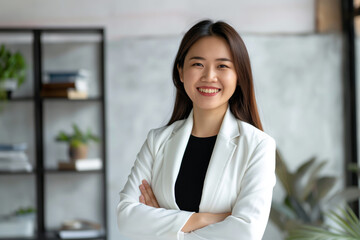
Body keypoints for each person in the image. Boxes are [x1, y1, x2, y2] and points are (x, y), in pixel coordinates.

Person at [117, 19, 276, 240]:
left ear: (238, 76)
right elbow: (126, 218)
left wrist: (163, 224)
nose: (209, 76)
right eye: (197, 64)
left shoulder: (258, 146)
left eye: (222, 66)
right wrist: (205, 219)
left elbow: (245, 233)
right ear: (181, 72)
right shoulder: (157, 141)